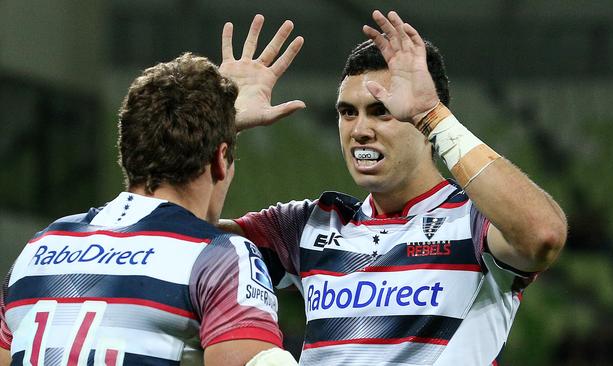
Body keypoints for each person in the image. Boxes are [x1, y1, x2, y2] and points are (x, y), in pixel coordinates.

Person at [218, 10, 568, 365]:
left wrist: (432, 114)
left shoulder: (474, 220)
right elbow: (178, 244)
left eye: (381, 111)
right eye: (348, 112)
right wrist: (218, 128)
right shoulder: (308, 225)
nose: (360, 130)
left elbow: (543, 235)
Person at [0, 41, 304, 365]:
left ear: (127, 152)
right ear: (220, 160)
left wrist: (219, 124)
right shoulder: (219, 257)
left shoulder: (37, 252)